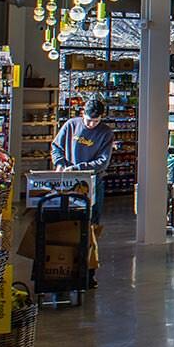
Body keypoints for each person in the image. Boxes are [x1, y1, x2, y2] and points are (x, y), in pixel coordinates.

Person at [51, 96, 113, 287]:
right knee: (65, 223)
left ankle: (88, 272)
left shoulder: (105, 133)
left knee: (90, 227)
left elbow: (103, 161)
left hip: (93, 183)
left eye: (96, 120)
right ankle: (62, 268)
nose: (92, 124)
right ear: (82, 114)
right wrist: (60, 164)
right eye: (88, 120)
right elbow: (56, 147)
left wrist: (80, 168)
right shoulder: (71, 126)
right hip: (67, 182)